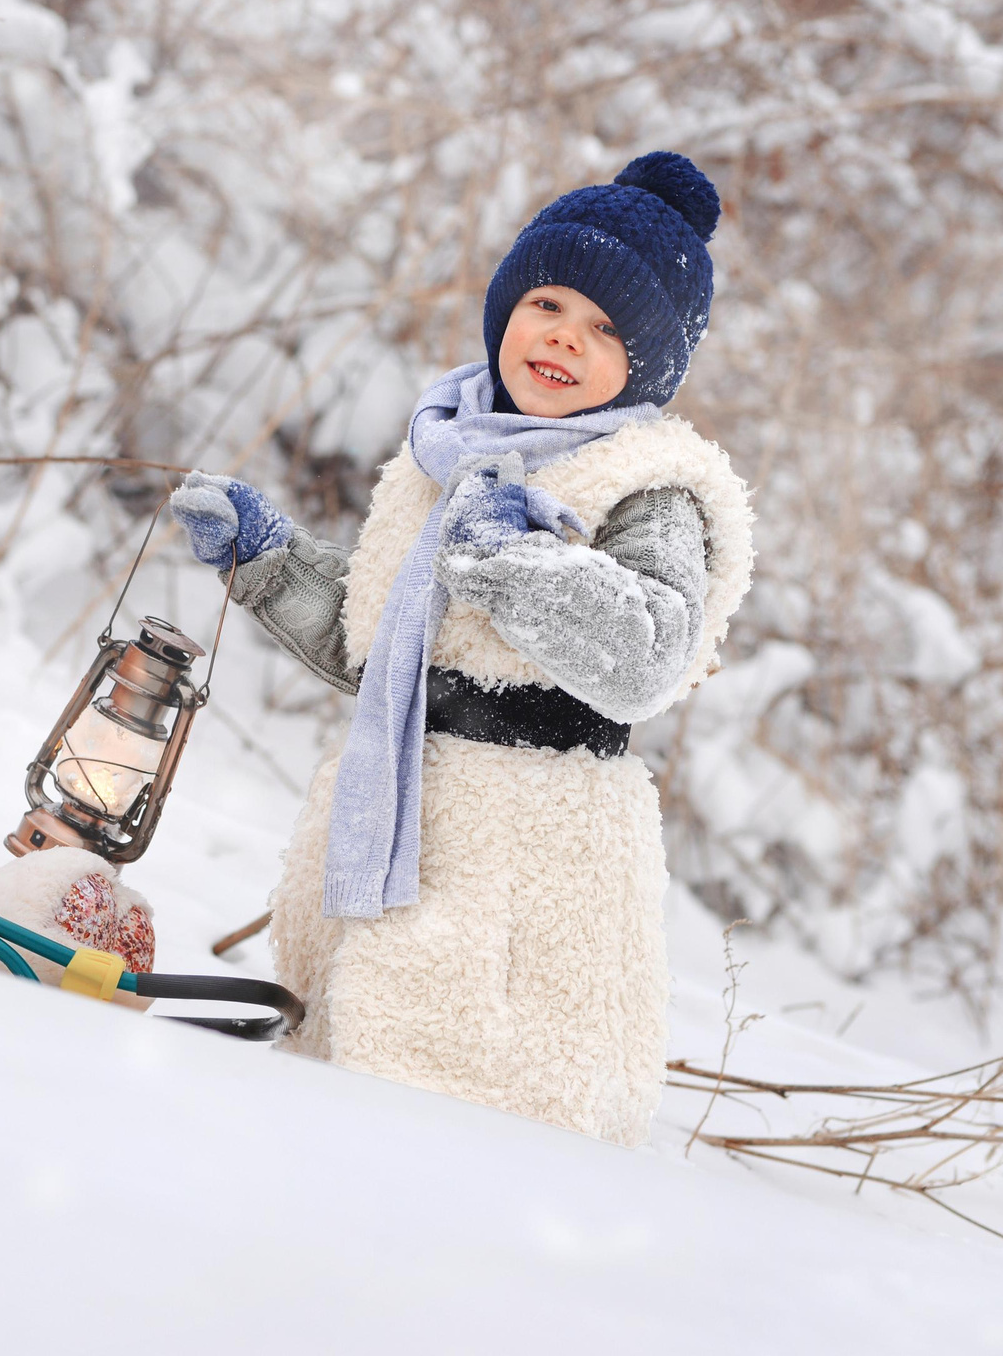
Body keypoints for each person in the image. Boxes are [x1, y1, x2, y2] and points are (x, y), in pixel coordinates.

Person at [171, 151, 755, 1145]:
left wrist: (515, 561)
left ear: (647, 366)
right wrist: (268, 561)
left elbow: (647, 654)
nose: (564, 336)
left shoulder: (647, 484)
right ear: (504, 309)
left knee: (470, 1122)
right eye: (548, 303)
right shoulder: (445, 451)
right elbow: (386, 650)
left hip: (528, 867)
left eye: (606, 329)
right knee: (341, 1111)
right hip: (402, 829)